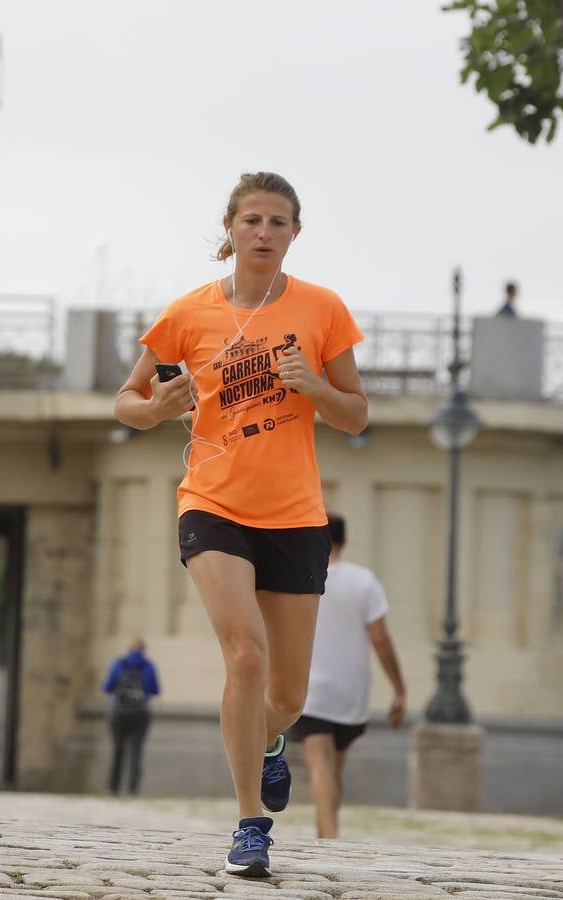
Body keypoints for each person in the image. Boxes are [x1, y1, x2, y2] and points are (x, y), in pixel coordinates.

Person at [114, 172, 367, 878]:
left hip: (294, 516)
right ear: (228, 228)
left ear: (293, 233)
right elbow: (125, 401)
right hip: (212, 504)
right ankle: (249, 824)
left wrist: (312, 386)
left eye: (276, 221)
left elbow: (357, 414)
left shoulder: (322, 312)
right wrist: (159, 405)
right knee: (244, 657)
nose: (262, 232)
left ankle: (268, 743)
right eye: (250, 219)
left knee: (285, 695)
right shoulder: (186, 315)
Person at [289, 513, 406, 839]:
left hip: (310, 689)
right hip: (351, 693)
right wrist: (399, 690)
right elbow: (381, 640)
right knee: (332, 769)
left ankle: (328, 838)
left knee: (322, 769)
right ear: (344, 541)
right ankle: (328, 834)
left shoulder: (300, 574)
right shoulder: (364, 580)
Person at [102, 639, 161, 796]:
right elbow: (155, 690)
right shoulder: (148, 666)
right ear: (144, 650)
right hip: (140, 714)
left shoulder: (118, 664)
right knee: (136, 752)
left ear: (129, 649)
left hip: (118, 714)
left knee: (117, 751)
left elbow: (107, 687)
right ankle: (132, 789)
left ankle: (113, 788)